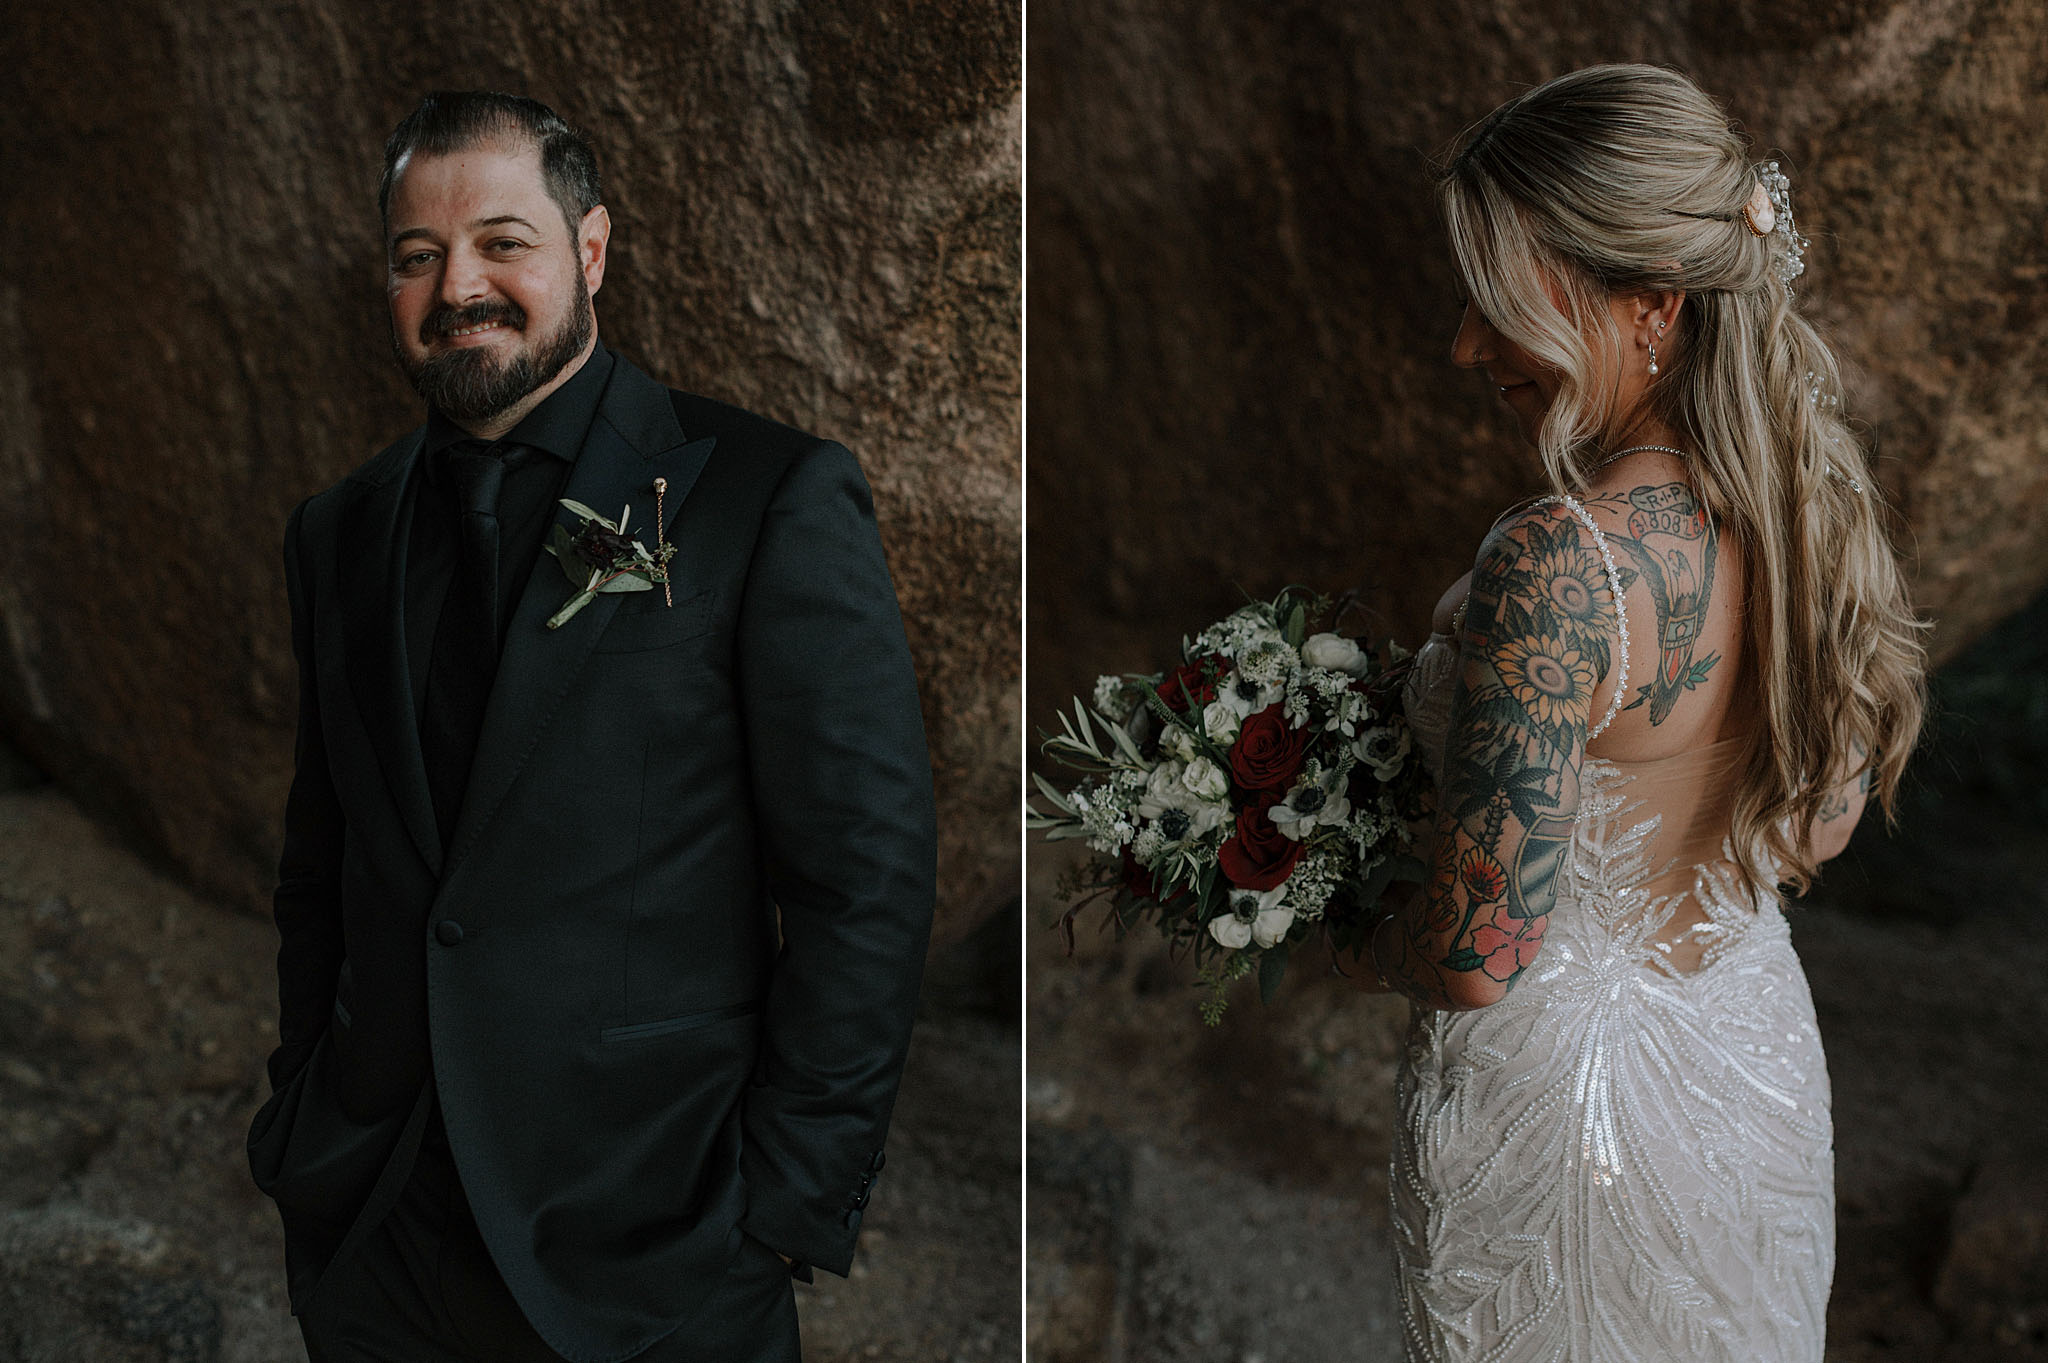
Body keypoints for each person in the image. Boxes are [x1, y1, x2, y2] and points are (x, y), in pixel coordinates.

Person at [245, 90, 937, 1363]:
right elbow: (322, 864)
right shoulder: (336, 530)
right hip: (378, 1232)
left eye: (502, 241)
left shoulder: (764, 497)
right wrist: (305, 1122)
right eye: (417, 256)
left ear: (592, 249)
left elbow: (865, 879)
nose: (459, 286)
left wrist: (783, 1205)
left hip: (656, 1241)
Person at [1355, 65, 1926, 1362]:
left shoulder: (1559, 562)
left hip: (1570, 1118)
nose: (1464, 343)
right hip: (1751, 1042)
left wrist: (1337, 920)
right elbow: (1819, 827)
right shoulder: (1810, 507)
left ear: (1652, 305)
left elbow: (1478, 951)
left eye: (1500, 298)